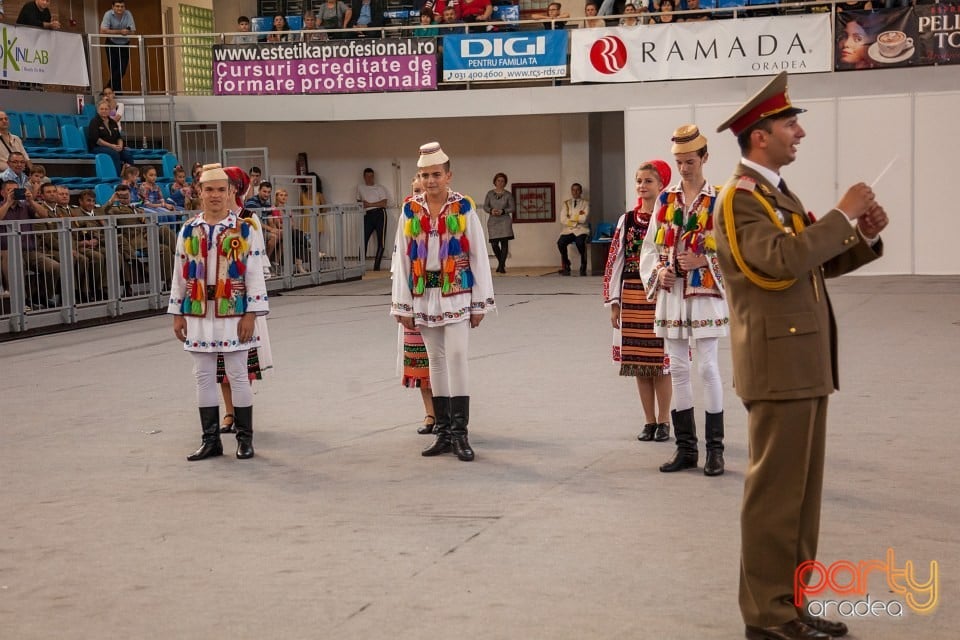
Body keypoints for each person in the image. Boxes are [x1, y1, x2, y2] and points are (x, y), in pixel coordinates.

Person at [714, 72, 887, 640]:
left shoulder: (775, 195)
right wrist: (839, 216)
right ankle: (766, 616)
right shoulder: (740, 199)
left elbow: (812, 262)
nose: (801, 133)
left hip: (802, 363)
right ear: (760, 136)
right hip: (776, 364)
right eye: (792, 124)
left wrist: (858, 236)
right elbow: (779, 261)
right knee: (774, 497)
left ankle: (790, 602)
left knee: (801, 496)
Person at [390, 142, 496, 462]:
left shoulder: (463, 207)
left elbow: (477, 255)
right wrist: (402, 304)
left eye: (436, 174)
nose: (431, 181)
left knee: (458, 355)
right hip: (426, 288)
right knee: (435, 360)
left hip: (456, 288)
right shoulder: (411, 209)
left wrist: (480, 303)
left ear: (448, 175)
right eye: (425, 175)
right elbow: (404, 258)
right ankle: (444, 432)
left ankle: (461, 432)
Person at [638, 124, 729, 477]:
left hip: (706, 292)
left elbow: (736, 246)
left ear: (705, 158)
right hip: (673, 292)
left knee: (707, 367)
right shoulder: (665, 199)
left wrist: (705, 260)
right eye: (679, 162)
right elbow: (652, 246)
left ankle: (715, 451)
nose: (684, 168)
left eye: (690, 161)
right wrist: (660, 271)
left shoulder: (719, 199)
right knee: (676, 367)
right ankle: (685, 449)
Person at [169, 164, 270, 461]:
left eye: (221, 190)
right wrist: (177, 312)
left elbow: (253, 273)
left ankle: (244, 438)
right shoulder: (188, 229)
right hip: (198, 312)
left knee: (238, 375)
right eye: (209, 189)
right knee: (202, 376)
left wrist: (251, 314)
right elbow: (178, 272)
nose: (215, 195)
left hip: (234, 312)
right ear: (199, 192)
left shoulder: (244, 230)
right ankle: (210, 439)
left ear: (230, 194)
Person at [604, 160, 673, 442]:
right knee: (639, 363)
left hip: (659, 295)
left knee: (661, 363)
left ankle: (665, 420)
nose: (642, 186)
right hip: (632, 292)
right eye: (639, 181)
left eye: (648, 181)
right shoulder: (627, 220)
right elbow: (615, 261)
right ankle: (648, 421)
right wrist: (614, 302)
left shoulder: (670, 218)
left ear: (661, 185)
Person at [216, 166, 274, 435]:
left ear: (235, 189)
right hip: (216, 300)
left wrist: (252, 305)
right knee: (219, 362)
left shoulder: (249, 220)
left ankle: (241, 413)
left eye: (225, 185)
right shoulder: (210, 220)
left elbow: (258, 263)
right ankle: (228, 412)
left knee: (241, 363)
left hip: (241, 299)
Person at [395, 176, 436, 435]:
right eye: (414, 191)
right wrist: (402, 303)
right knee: (419, 361)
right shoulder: (407, 220)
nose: (418, 195)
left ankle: (448, 415)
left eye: (421, 190)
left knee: (441, 361)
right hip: (414, 295)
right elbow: (399, 264)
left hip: (439, 298)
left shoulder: (446, 218)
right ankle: (430, 414)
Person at [86, 100, 134, 175]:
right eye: (102, 109)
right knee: (114, 153)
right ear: (98, 110)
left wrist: (120, 146)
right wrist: (112, 146)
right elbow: (96, 140)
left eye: (106, 109)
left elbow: (119, 137)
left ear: (109, 110)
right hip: (97, 147)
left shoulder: (113, 122)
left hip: (113, 147)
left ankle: (130, 177)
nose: (104, 111)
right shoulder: (94, 122)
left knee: (127, 154)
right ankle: (117, 178)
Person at [357, 167, 390, 271]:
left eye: (371, 176)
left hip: (380, 213)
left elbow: (384, 203)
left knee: (381, 241)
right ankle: (360, 267)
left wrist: (370, 204)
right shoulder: (360, 187)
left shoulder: (379, 188)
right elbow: (358, 201)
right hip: (368, 215)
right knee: (363, 240)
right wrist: (363, 205)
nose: (369, 178)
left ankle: (377, 267)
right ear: (364, 177)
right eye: (367, 176)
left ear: (373, 177)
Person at [483, 172, 515, 274]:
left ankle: (501, 267)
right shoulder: (489, 194)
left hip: (504, 221)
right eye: (498, 181)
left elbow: (512, 208)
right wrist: (491, 210)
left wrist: (503, 211)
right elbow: (485, 206)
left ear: (505, 183)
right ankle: (502, 263)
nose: (500, 183)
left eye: (502, 181)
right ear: (495, 182)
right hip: (493, 221)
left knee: (504, 243)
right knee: (494, 244)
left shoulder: (508, 194)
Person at [100, 1, 136, 91]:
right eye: (117, 6)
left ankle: (107, 89)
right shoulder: (108, 14)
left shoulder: (128, 14)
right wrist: (120, 31)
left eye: (122, 6)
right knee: (114, 70)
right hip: (111, 44)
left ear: (124, 7)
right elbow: (103, 30)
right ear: (113, 7)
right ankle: (118, 93)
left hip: (124, 45)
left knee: (121, 70)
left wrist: (127, 32)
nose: (120, 8)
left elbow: (133, 31)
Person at [557, 182, 590, 276]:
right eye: (573, 190)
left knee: (580, 243)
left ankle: (583, 264)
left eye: (577, 190)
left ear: (581, 191)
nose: (575, 192)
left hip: (581, 230)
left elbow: (584, 219)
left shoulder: (585, 203)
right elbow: (562, 219)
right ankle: (566, 263)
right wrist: (577, 217)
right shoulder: (566, 203)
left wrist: (570, 217)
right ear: (571, 191)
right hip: (568, 230)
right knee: (560, 243)